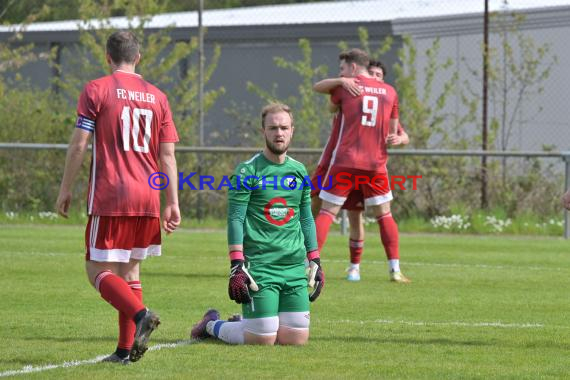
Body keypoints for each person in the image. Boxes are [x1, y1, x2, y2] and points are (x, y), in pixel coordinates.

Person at [55, 31, 180, 364]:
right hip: (148, 196)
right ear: (138, 57)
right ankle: (125, 350)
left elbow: (80, 143)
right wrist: (173, 202)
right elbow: (167, 156)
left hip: (112, 194)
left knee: (95, 269)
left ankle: (141, 314)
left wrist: (65, 187)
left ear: (108, 58)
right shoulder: (159, 96)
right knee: (131, 273)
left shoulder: (97, 89)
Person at [190, 103, 323, 346]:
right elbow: (235, 219)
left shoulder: (299, 171)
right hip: (260, 266)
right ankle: (210, 324)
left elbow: (306, 217)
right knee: (260, 340)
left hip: (294, 266)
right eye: (273, 128)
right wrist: (236, 265)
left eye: (284, 127)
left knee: (295, 340)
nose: (279, 133)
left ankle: (247, 318)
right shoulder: (247, 171)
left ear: (292, 130)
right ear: (263, 131)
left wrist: (315, 259)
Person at [310, 59, 411, 283]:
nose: (375, 77)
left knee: (325, 211)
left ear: (354, 68)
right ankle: (377, 269)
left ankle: (315, 265)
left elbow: (399, 133)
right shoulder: (386, 94)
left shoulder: (352, 92)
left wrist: (400, 138)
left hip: (342, 162)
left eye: (379, 74)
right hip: (369, 165)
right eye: (372, 72)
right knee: (324, 209)